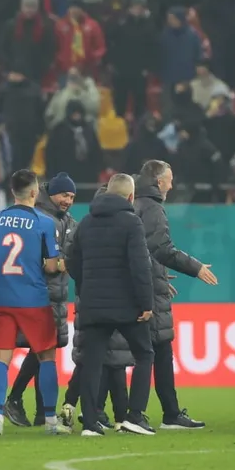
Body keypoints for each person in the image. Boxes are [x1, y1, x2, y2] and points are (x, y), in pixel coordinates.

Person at [0, 169, 69, 436]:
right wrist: (44, 264)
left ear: (12, 191)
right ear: (34, 192)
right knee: (47, 357)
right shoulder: (44, 222)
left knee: (1, 358)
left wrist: (5, 263)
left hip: (3, 299)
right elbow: (50, 266)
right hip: (34, 301)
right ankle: (50, 421)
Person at [68, 174, 156, 436]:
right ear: (131, 196)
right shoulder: (132, 222)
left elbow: (72, 262)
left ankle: (90, 423)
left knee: (92, 362)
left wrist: (86, 288)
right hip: (126, 305)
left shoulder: (86, 222)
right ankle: (135, 416)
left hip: (93, 304)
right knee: (144, 354)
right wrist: (146, 302)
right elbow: (140, 266)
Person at [134, 160, 213, 428]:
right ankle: (153, 414)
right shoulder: (152, 207)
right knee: (157, 350)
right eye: (169, 179)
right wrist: (195, 267)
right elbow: (161, 248)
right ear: (159, 182)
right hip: (146, 294)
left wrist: (157, 275)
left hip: (143, 285)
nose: (171, 184)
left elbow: (142, 250)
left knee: (125, 352)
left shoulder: (136, 203)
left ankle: (104, 413)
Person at [5, 172, 76, 427]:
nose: (68, 201)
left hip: (56, 294)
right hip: (39, 293)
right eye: (64, 195)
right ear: (51, 193)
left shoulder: (67, 221)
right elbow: (36, 259)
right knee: (43, 350)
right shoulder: (38, 218)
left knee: (43, 351)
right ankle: (15, 399)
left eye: (72, 197)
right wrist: (61, 264)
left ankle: (40, 413)